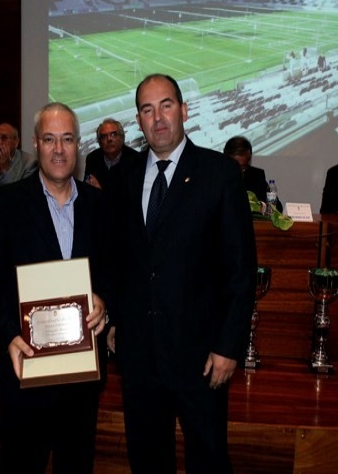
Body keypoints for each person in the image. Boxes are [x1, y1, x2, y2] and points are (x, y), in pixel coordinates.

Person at [107, 74, 257, 473]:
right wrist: (115, 320)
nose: (158, 118)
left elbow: (240, 269)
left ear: (184, 111)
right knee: (147, 461)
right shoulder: (123, 177)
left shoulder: (219, 173)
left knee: (208, 460)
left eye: (166, 106)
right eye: (147, 109)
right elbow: (118, 259)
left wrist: (228, 347)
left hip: (202, 358)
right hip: (140, 358)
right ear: (138, 120)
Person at [0, 102, 112, 474]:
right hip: (25, 371)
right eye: (50, 139)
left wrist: (105, 302)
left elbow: (113, 272)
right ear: (36, 144)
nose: (59, 149)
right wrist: (8, 335)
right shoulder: (5, 204)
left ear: (78, 145)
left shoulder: (100, 206)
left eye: (67, 139)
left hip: (82, 379)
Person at [223, 135, 283, 212]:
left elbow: (277, 208)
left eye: (244, 166)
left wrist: (261, 206)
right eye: (235, 166)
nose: (240, 171)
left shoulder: (256, 175)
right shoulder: (215, 177)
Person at [84, 118, 138, 200]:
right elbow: (87, 191)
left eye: (113, 134)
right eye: (104, 136)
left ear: (122, 137)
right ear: (99, 142)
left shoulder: (135, 160)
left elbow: (128, 200)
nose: (109, 139)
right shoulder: (92, 158)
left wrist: (100, 192)